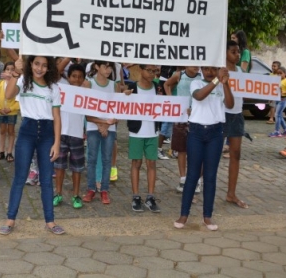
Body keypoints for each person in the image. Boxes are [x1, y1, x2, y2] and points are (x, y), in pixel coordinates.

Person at [0, 56, 63, 236]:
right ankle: (10, 219)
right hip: (27, 130)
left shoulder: (54, 88)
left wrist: (57, 143)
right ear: (30, 65)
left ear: (49, 68)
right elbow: (8, 95)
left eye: (44, 65)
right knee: (20, 177)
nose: (40, 68)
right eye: (36, 64)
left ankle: (50, 221)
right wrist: (14, 73)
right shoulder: (22, 81)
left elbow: (57, 117)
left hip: (47, 133)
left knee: (46, 180)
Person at [174, 65, 234, 231]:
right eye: (206, 69)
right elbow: (199, 97)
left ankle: (207, 216)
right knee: (192, 174)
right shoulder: (196, 83)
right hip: (196, 132)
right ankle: (184, 214)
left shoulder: (221, 84)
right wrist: (217, 80)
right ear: (202, 70)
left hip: (215, 133)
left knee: (210, 175)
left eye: (213, 69)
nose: (210, 72)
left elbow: (230, 104)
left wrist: (226, 83)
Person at [126, 64, 162, 213]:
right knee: (136, 163)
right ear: (140, 70)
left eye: (155, 71)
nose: (152, 73)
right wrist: (125, 96)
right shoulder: (133, 88)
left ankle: (150, 196)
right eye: (149, 70)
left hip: (152, 131)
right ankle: (136, 196)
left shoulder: (158, 88)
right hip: (137, 132)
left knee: (152, 163)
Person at [82, 60, 119, 205]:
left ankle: (104, 189)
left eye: (110, 66)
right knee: (91, 159)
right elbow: (85, 109)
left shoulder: (114, 85)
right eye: (105, 66)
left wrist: (107, 125)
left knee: (106, 159)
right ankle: (91, 188)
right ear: (97, 66)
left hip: (109, 127)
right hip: (93, 126)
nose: (108, 70)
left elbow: (118, 109)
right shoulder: (88, 83)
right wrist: (101, 124)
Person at [53, 63, 86, 209]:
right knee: (59, 166)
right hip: (61, 133)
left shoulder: (87, 93)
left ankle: (76, 195)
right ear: (68, 77)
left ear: (84, 78)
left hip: (77, 134)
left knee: (77, 168)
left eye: (80, 77)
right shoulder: (62, 87)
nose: (76, 80)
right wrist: (68, 53)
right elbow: (57, 70)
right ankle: (58, 193)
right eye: (74, 76)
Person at [164, 66, 201, 192]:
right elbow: (167, 84)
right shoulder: (179, 75)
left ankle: (196, 179)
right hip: (181, 118)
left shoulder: (202, 76)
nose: (196, 67)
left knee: (196, 151)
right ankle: (183, 178)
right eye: (193, 64)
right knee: (182, 150)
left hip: (197, 118)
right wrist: (172, 100)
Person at [224, 40, 249, 209]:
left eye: (238, 51)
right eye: (233, 51)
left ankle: (231, 194)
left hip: (237, 115)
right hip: (220, 115)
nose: (237, 55)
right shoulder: (220, 71)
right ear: (225, 53)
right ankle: (196, 189)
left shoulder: (240, 71)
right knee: (209, 155)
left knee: (236, 155)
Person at [0, 62, 20, 162]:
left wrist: (11, 108)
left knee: (11, 131)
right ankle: (1, 151)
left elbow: (19, 100)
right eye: (7, 69)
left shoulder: (17, 84)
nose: (9, 71)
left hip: (11, 112)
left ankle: (9, 152)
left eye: (12, 69)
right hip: (1, 111)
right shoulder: (1, 83)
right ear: (4, 71)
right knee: (2, 131)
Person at [269, 67, 286, 137]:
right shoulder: (276, 81)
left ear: (285, 73)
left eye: (281, 73)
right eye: (278, 74)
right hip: (277, 100)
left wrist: (283, 92)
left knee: (277, 114)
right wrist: (271, 98)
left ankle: (277, 131)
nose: (279, 75)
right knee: (279, 115)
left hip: (283, 100)